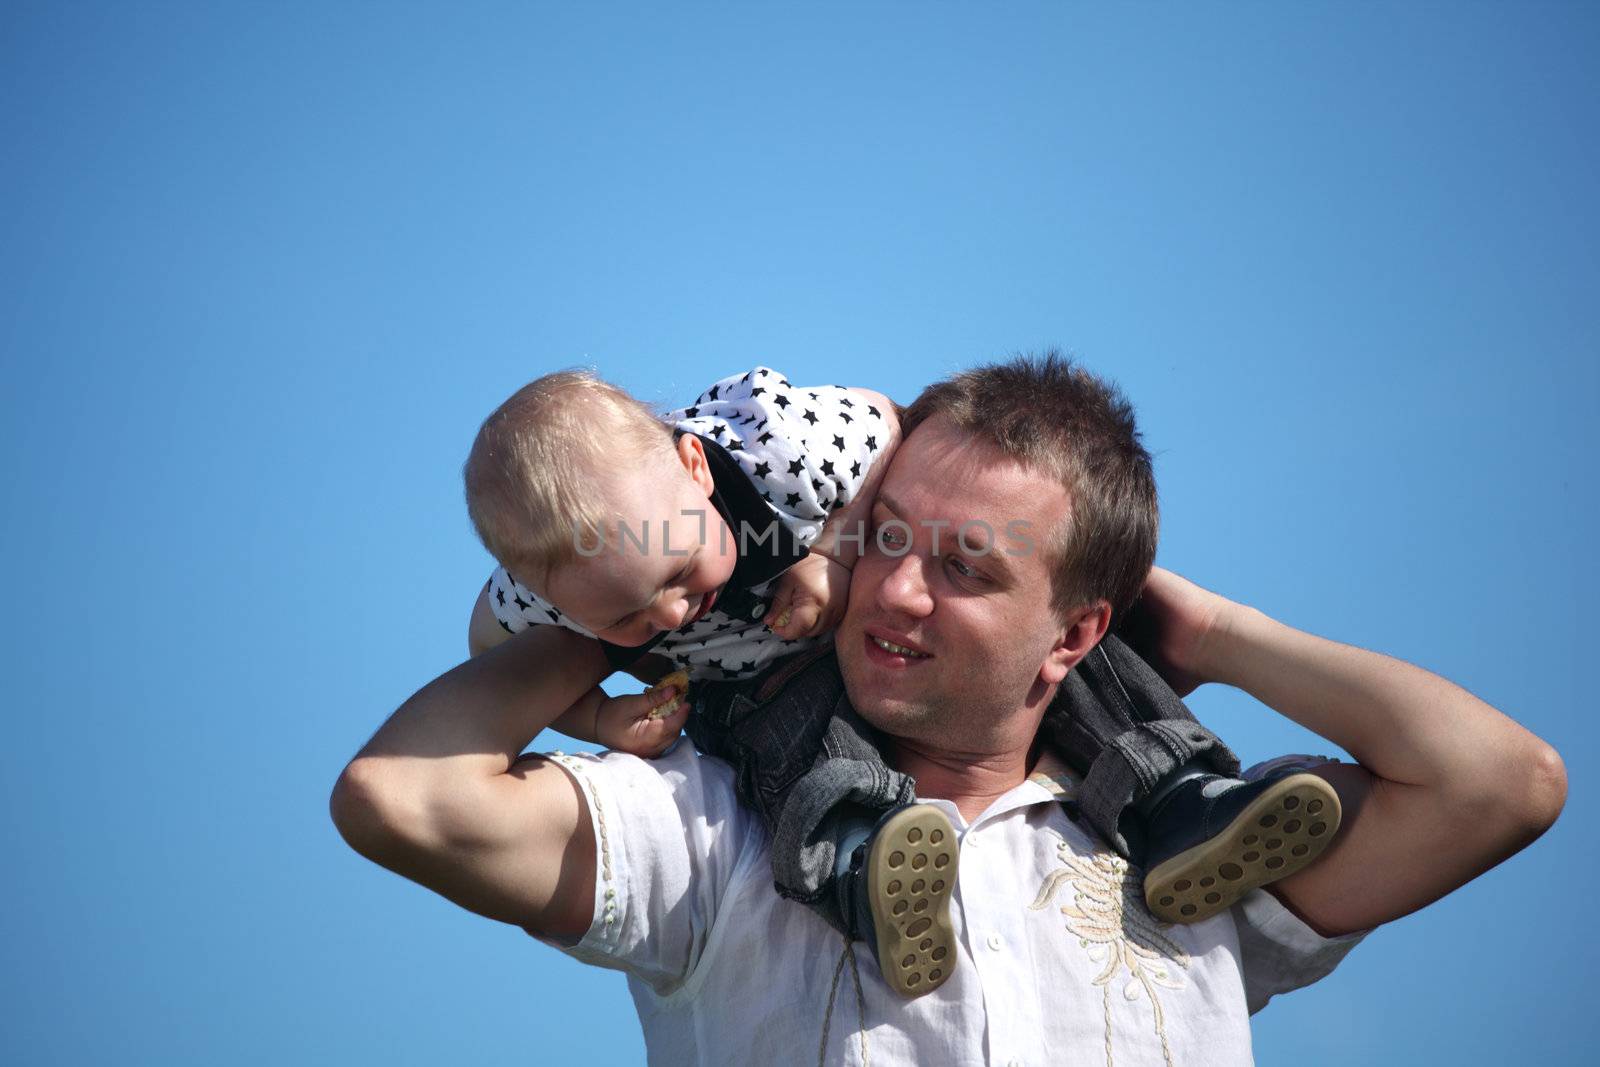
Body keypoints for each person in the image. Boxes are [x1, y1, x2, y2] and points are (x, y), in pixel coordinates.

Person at [332, 355, 1565, 1064]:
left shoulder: (1199, 876)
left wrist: (1210, 634)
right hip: (779, 804)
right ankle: (857, 853)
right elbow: (399, 796)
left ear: (1080, 630)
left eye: (966, 566)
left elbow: (1501, 784)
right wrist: (595, 613)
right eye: (882, 539)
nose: (895, 588)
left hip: (1158, 812)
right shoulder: (704, 827)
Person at [456, 361, 1342, 996]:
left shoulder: (769, 447)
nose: (674, 616)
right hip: (765, 688)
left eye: (680, 569)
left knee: (1080, 661)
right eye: (628, 619)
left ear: (693, 466)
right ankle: (860, 866)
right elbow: (488, 647)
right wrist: (602, 715)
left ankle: (1181, 799)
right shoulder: (536, 600)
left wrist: (833, 551)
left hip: (860, 630)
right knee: (784, 742)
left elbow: (885, 421)